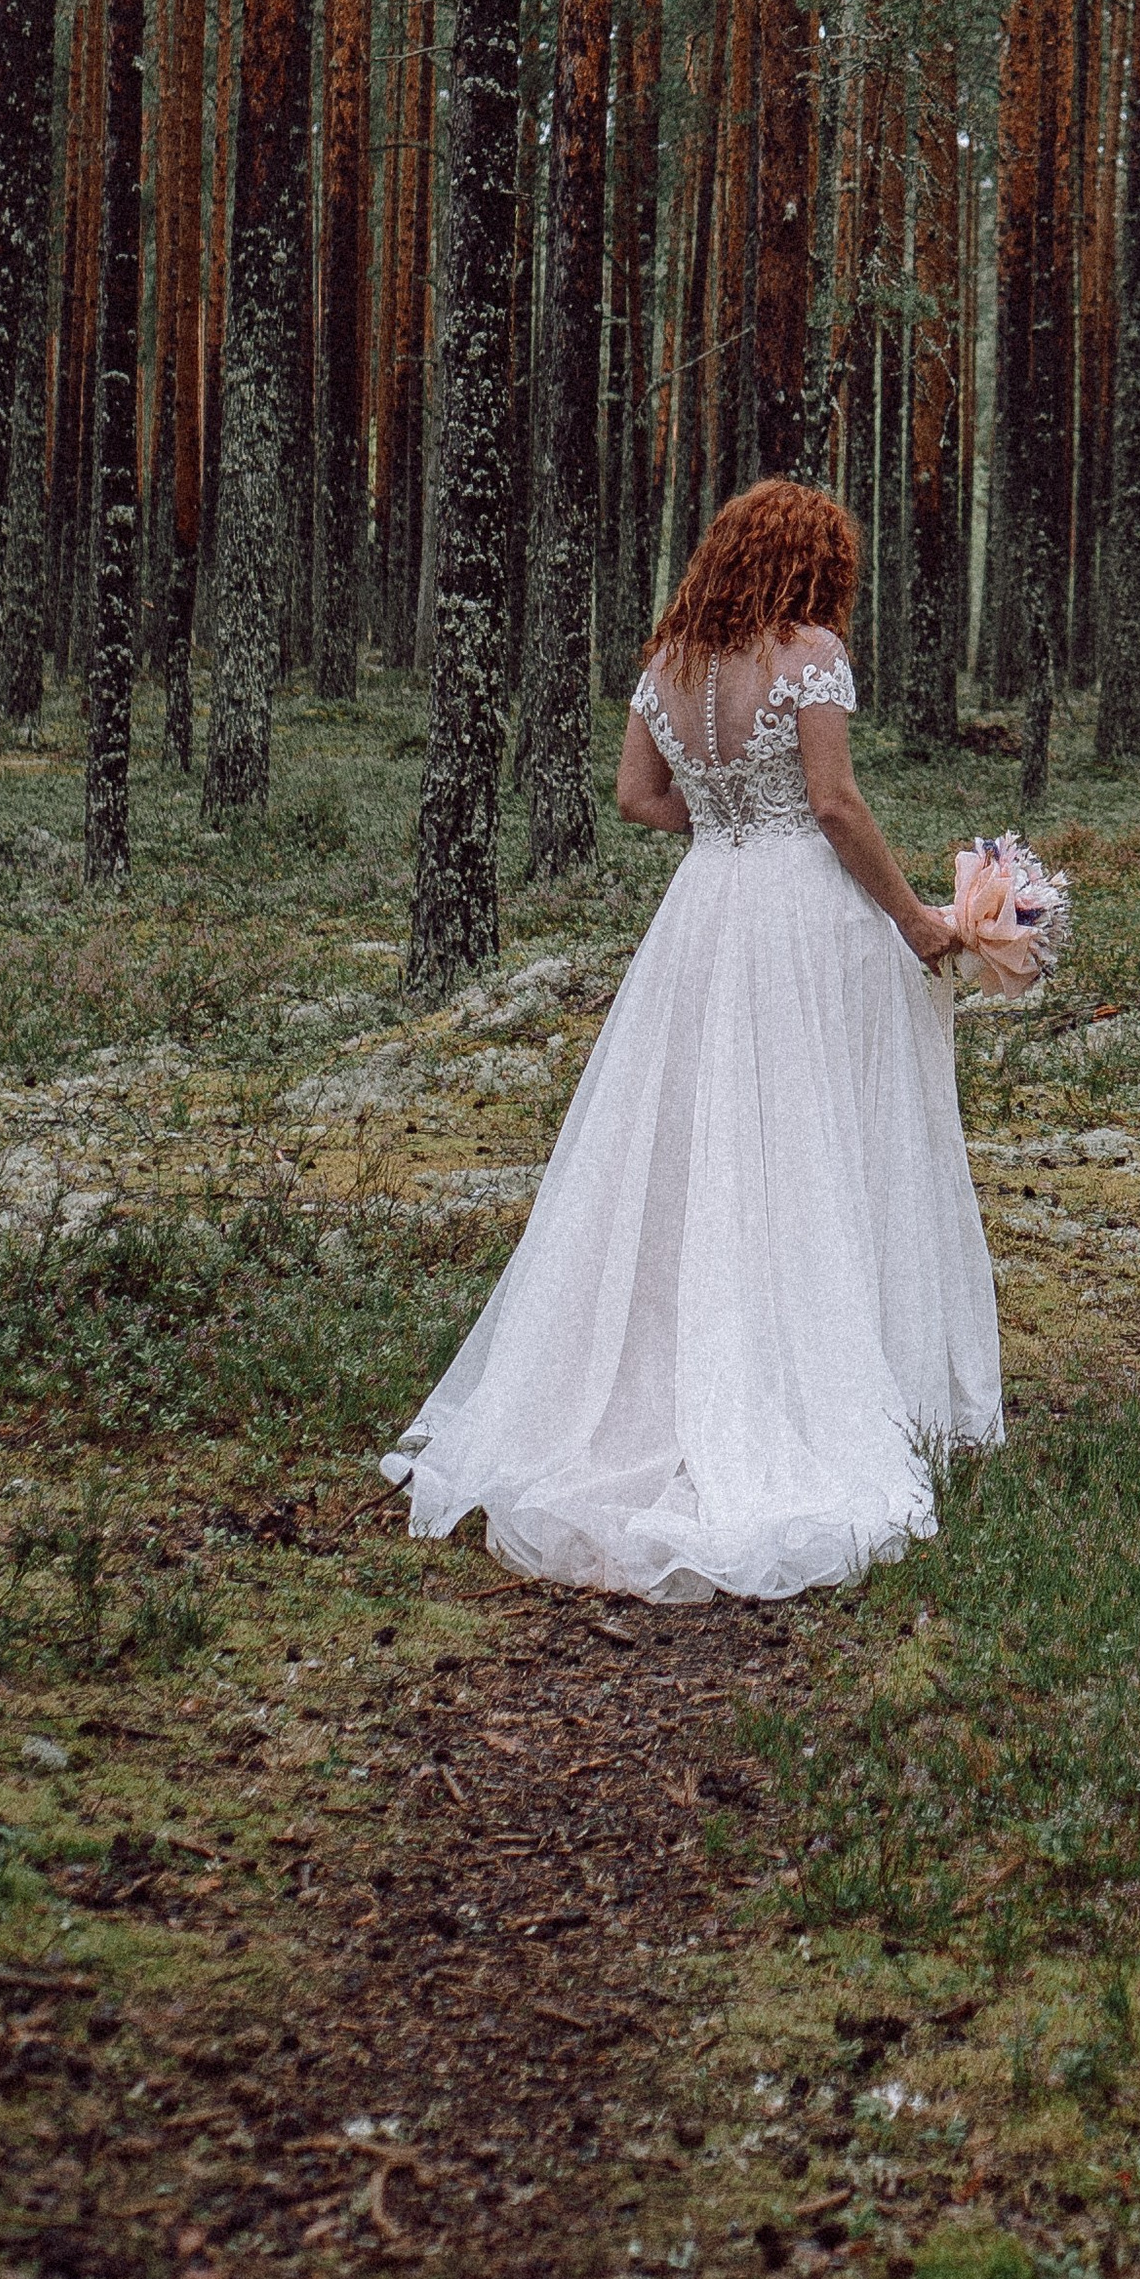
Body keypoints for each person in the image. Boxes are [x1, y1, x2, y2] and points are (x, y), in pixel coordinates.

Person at [384, 478, 1001, 1601]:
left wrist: (721, 824)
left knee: (685, 1144)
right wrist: (916, 918)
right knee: (813, 1133)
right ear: (811, 565)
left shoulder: (667, 661)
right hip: (798, 915)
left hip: (704, 911)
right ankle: (807, 1378)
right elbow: (834, 806)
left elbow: (635, 796)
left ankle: (651, 1375)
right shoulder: (809, 652)